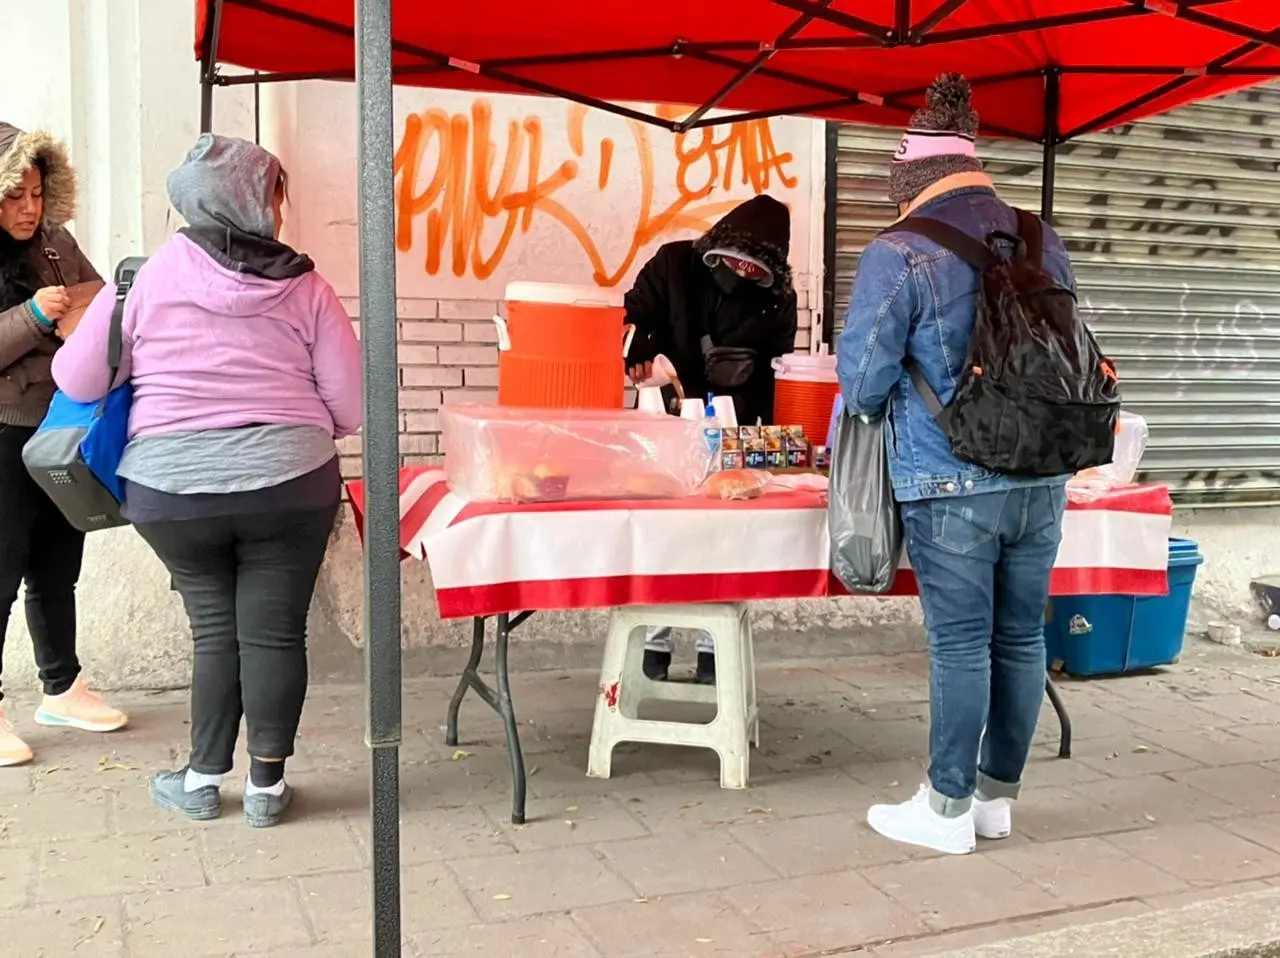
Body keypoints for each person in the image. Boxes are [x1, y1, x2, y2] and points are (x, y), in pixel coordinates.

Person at [53, 134, 362, 827]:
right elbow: (350, 408)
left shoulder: (142, 278)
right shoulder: (305, 286)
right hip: (291, 483)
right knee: (276, 633)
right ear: (253, 199)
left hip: (172, 490)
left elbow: (75, 377)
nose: (280, 212)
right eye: (276, 196)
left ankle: (199, 779)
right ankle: (266, 789)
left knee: (215, 630)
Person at [836, 74, 1075, 855]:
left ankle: (944, 810)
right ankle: (994, 800)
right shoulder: (1042, 237)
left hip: (950, 477)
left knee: (962, 643)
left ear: (912, 177)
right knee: (1020, 639)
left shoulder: (899, 251)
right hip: (1043, 474)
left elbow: (863, 381)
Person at [623, 195, 798, 685]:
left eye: (755, 268)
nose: (742, 273)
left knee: (725, 536)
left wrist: (767, 440)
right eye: (736, 260)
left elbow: (777, 370)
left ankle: (711, 649)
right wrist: (639, 352)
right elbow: (631, 316)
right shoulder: (674, 262)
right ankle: (654, 641)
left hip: (733, 428)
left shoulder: (778, 299)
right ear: (718, 247)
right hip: (664, 421)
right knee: (662, 531)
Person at [0, 122, 130, 765]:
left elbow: (105, 305)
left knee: (57, 566)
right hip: (2, 428)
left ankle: (62, 686)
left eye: (36, 194)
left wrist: (83, 305)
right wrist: (35, 316)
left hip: (61, 428)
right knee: (0, 569)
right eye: (13, 196)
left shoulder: (57, 242)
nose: (28, 208)